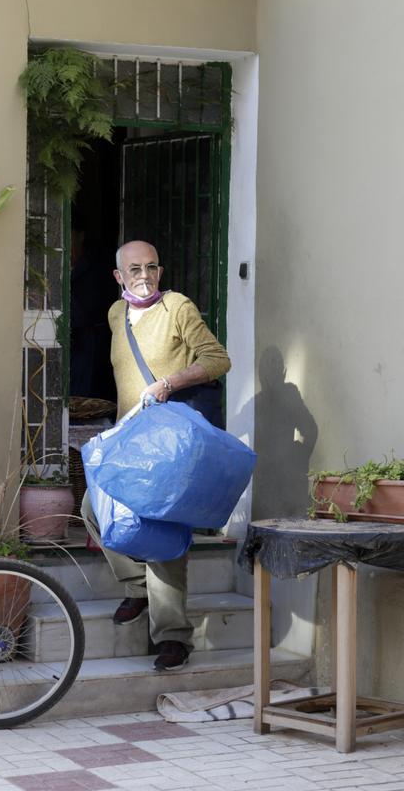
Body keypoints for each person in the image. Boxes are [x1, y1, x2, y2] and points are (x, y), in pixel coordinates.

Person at [79, 240, 231, 671]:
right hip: (130, 437)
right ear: (118, 277)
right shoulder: (116, 315)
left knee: (162, 529)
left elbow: (218, 360)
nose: (143, 275)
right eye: (134, 269)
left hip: (170, 439)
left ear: (159, 272)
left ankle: (172, 637)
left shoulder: (177, 308)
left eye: (150, 268)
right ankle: (136, 587)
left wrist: (169, 382)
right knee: (94, 507)